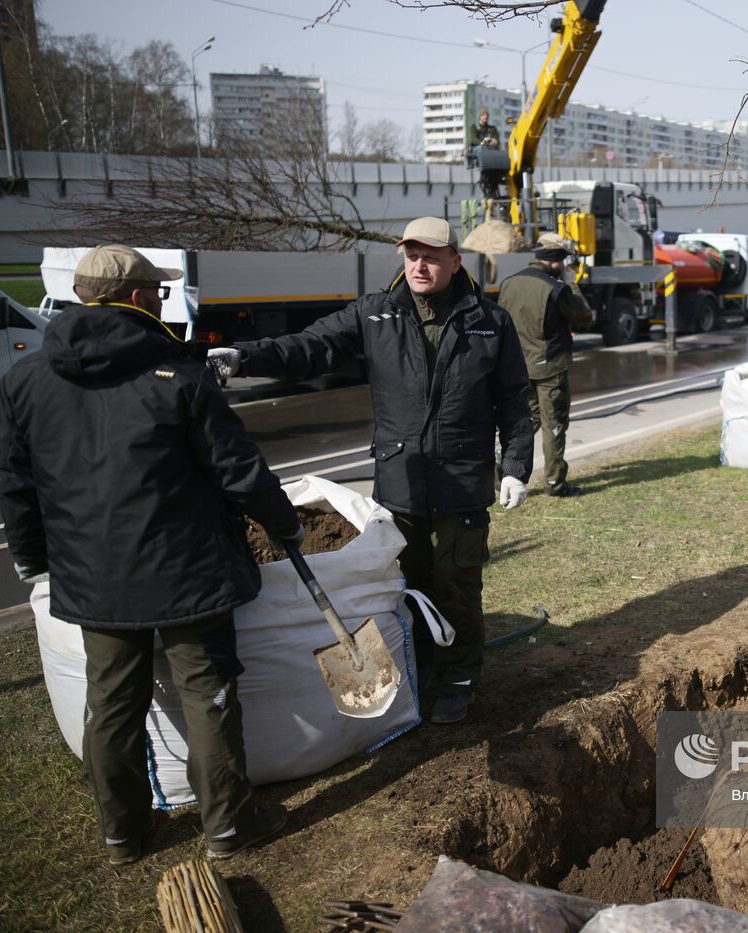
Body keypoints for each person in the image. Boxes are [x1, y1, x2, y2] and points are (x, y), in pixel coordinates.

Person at [0, 245, 299, 865]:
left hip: (92, 576)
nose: (162, 299)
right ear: (134, 299)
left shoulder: (24, 379)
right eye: (156, 292)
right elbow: (237, 470)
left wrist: (32, 559)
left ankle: (122, 836)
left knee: (110, 703)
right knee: (207, 693)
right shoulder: (177, 377)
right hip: (186, 570)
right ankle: (228, 829)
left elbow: (14, 482)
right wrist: (284, 524)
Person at [208, 218, 533, 724]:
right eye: (411, 255)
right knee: (407, 585)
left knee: (457, 585)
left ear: (454, 261)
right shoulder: (376, 314)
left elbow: (515, 400)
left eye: (430, 256)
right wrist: (244, 358)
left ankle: (458, 679)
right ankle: (421, 669)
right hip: (400, 481)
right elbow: (308, 348)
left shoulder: (489, 322)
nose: (419, 266)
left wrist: (515, 466)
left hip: (461, 484)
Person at [498, 232, 595, 497]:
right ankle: (554, 482)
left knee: (522, 423)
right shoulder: (557, 287)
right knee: (554, 424)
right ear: (555, 261)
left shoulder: (509, 283)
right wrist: (573, 284)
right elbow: (584, 316)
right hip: (550, 367)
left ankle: (502, 473)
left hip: (518, 366)